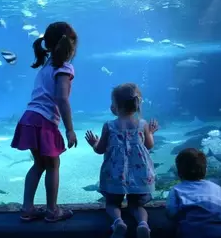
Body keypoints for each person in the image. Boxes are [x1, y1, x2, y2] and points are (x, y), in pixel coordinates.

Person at [11, 22, 78, 223]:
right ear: (70, 45)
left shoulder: (47, 64)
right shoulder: (64, 68)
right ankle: (52, 211)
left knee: (38, 164)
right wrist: (70, 130)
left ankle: (27, 208)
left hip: (29, 116)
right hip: (44, 120)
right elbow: (62, 99)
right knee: (53, 165)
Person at [85, 83, 157, 238]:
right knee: (136, 205)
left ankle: (118, 222)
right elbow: (149, 145)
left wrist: (94, 143)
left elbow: (100, 149)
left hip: (116, 174)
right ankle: (143, 224)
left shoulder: (109, 126)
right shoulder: (142, 124)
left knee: (112, 203)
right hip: (139, 173)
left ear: (115, 107)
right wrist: (150, 133)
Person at [166, 148, 221, 238]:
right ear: (205, 170)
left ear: (179, 173)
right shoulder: (216, 188)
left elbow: (171, 212)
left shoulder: (176, 190)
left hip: (189, 233)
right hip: (220, 233)